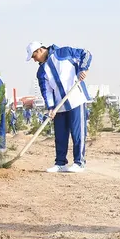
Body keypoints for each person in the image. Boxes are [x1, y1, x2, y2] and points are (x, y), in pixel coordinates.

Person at [26, 41, 92, 173]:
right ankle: (60, 163)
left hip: (75, 99)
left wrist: (83, 69)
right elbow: (47, 91)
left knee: (77, 133)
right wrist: (50, 107)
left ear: (39, 50)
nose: (34, 60)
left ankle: (79, 162)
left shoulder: (64, 52)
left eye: (34, 56)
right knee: (60, 135)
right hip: (59, 106)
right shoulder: (41, 71)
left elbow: (86, 53)